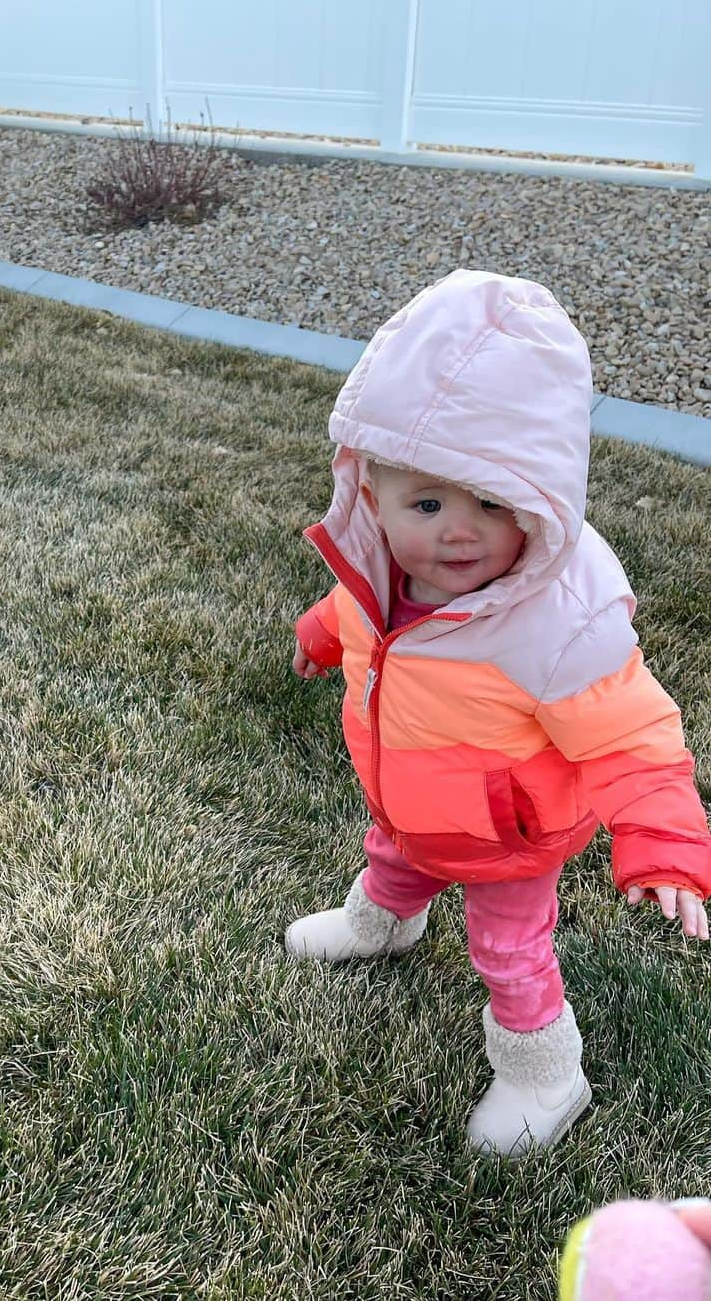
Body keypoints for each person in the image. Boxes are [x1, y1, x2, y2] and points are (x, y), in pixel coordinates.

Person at [285, 269, 710, 1157]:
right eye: (427, 503)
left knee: (511, 954)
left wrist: (664, 840)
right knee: (394, 851)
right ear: (371, 496)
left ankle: (544, 1071)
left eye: (493, 504)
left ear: (542, 502)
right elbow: (357, 610)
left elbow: (633, 733)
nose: (458, 533)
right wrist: (322, 633)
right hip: (410, 795)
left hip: (506, 838)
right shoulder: (382, 570)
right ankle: (384, 923)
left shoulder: (559, 620)